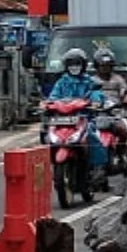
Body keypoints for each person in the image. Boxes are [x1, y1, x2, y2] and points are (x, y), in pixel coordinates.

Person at [47, 48, 108, 178]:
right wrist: (47, 104)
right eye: (71, 64)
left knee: (91, 135)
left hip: (84, 118)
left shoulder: (89, 81)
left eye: (77, 63)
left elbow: (96, 94)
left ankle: (98, 166)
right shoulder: (62, 82)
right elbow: (53, 97)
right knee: (47, 135)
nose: (74, 67)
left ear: (83, 65)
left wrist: (95, 102)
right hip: (63, 119)